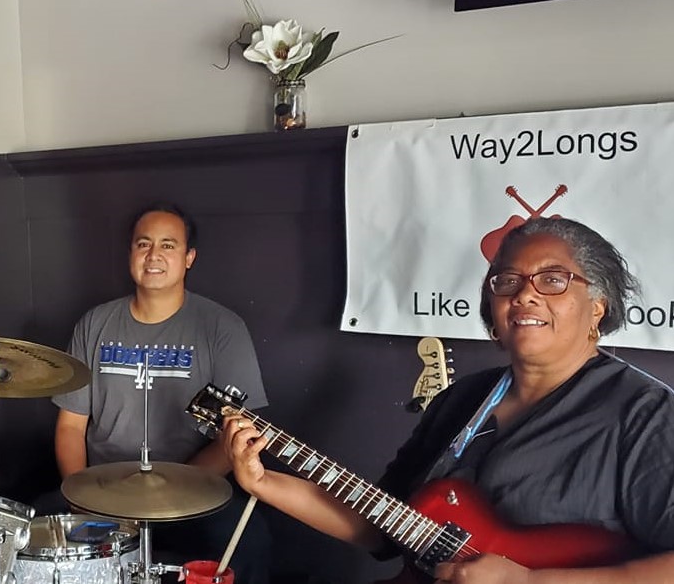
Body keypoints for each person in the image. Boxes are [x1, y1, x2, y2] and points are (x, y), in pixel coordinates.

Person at [226, 217, 674, 583]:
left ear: (597, 306)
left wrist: (528, 580)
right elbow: (383, 525)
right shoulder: (463, 400)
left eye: (553, 280)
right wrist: (264, 483)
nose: (525, 294)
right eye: (508, 281)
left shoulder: (645, 414)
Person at [51, 202, 271, 583]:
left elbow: (235, 438)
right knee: (36, 532)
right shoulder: (95, 324)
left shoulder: (222, 328)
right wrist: (82, 502)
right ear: (131, 254)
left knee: (251, 540)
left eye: (168, 245)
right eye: (143, 244)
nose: (154, 255)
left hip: (196, 496)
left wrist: (173, 496)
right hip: (104, 494)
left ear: (189, 258)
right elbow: (70, 426)